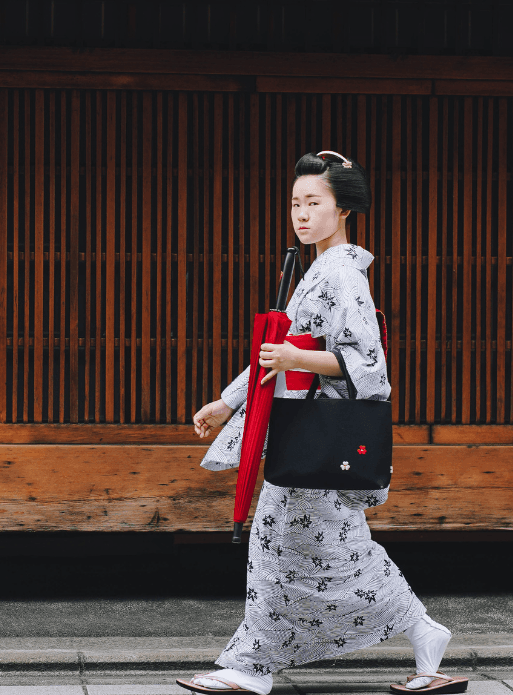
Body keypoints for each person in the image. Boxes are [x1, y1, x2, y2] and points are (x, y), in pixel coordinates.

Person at [175, 152, 469, 695]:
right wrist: (227, 403)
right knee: (338, 553)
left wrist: (294, 361)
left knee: (282, 550)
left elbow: (368, 369)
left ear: (344, 209)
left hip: (316, 441)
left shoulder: (339, 275)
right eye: (295, 203)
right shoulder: (322, 270)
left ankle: (252, 668)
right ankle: (424, 633)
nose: (301, 214)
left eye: (314, 203)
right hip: (312, 441)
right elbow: (282, 351)